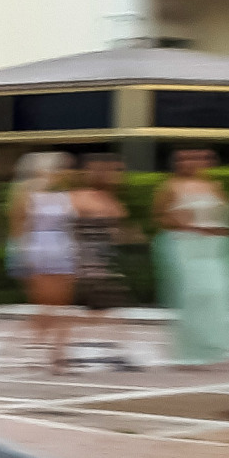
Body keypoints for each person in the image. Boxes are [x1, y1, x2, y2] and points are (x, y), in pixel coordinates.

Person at [153, 146, 229, 366]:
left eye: (196, 159)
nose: (190, 163)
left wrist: (222, 233)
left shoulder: (215, 186)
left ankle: (213, 345)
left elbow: (225, 216)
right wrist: (187, 226)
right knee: (195, 295)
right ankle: (189, 351)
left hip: (214, 248)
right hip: (187, 246)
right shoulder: (170, 186)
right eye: (184, 159)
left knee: (218, 294)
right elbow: (160, 217)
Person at [6, 152, 78, 373]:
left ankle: (59, 354)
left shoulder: (67, 194)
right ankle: (33, 347)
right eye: (57, 168)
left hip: (63, 248)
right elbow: (18, 227)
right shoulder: (25, 192)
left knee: (64, 306)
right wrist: (21, 256)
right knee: (45, 306)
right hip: (37, 249)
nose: (61, 173)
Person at [69, 153, 141, 371]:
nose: (114, 175)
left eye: (116, 171)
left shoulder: (111, 200)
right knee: (101, 310)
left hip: (102, 263)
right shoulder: (79, 197)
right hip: (85, 263)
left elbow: (116, 230)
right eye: (108, 170)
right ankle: (60, 345)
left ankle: (115, 352)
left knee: (104, 310)